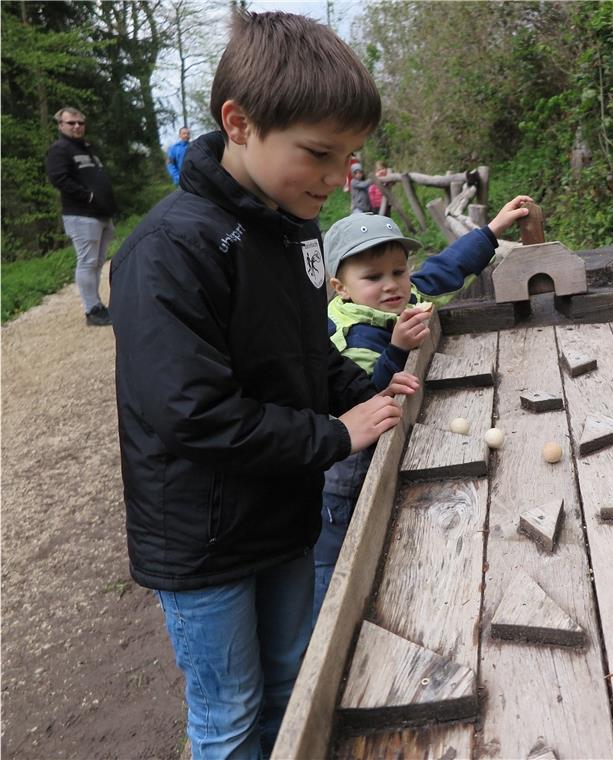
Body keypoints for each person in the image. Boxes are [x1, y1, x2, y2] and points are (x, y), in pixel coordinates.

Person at [108, 10, 406, 759]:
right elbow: (192, 415)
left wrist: (362, 389)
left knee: (290, 683)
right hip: (203, 537)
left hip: (282, 505)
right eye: (319, 154)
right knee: (230, 716)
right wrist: (337, 435)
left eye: (350, 158)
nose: (341, 181)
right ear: (239, 123)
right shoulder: (168, 250)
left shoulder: (294, 226)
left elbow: (306, 352)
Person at [314, 195, 532, 618]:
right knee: (338, 553)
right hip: (346, 472)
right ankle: (324, 625)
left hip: (387, 446)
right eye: (373, 277)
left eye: (398, 271)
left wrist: (491, 230)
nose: (392, 285)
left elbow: (445, 268)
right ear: (340, 287)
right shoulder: (349, 335)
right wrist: (397, 349)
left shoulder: (403, 296)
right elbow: (367, 397)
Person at [45, 106, 118, 326]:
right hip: (81, 215)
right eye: (71, 123)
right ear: (61, 126)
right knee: (87, 261)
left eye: (80, 123)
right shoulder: (59, 149)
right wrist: (88, 197)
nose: (77, 126)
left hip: (102, 214)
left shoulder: (87, 148)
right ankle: (92, 310)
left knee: (97, 263)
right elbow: (59, 179)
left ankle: (98, 304)